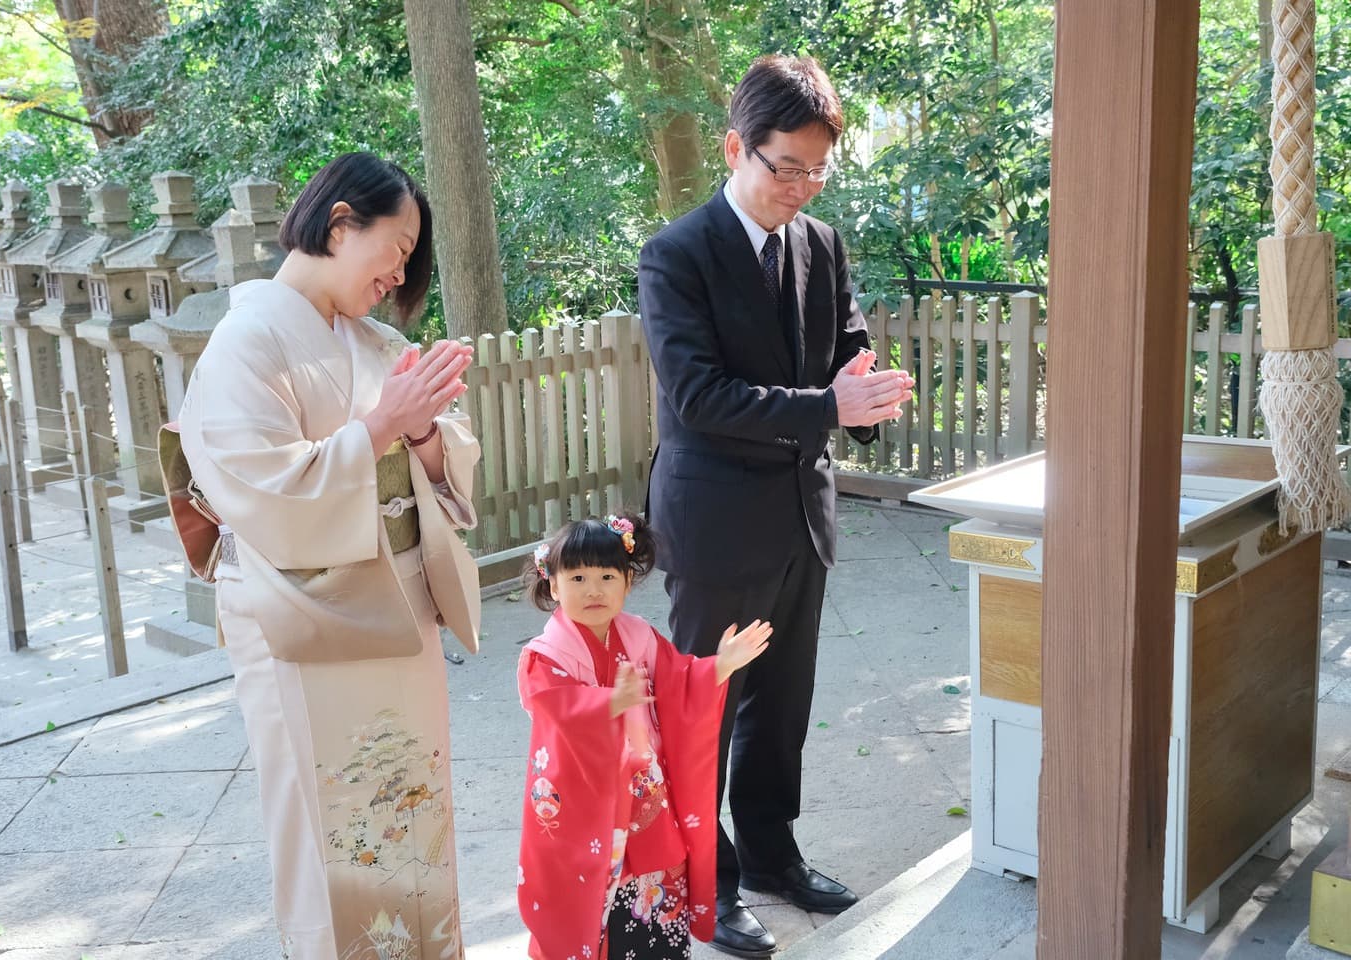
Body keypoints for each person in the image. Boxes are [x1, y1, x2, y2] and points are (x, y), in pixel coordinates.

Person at [637, 55, 916, 957]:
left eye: (817, 169)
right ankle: (701, 881)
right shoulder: (676, 254)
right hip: (715, 520)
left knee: (782, 704)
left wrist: (863, 391)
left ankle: (770, 855)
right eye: (785, 167)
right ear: (735, 148)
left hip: (801, 510)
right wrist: (827, 407)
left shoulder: (821, 242)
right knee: (705, 710)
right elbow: (698, 396)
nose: (802, 186)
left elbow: (846, 341)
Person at [177, 152, 481, 959]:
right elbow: (259, 486)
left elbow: (443, 459)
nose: (402, 270)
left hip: (398, 608)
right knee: (323, 820)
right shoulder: (246, 340)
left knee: (407, 799)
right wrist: (381, 428)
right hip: (302, 617)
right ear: (341, 221)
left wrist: (419, 429)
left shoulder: (373, 340)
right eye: (399, 244)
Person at [515, 515, 773, 960]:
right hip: (582, 806)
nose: (593, 589)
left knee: (657, 883)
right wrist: (608, 704)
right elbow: (553, 706)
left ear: (627, 584)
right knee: (590, 902)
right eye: (577, 577)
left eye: (606, 576)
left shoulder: (639, 636)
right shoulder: (546, 655)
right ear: (553, 586)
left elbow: (681, 680)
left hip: (644, 796)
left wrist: (720, 666)